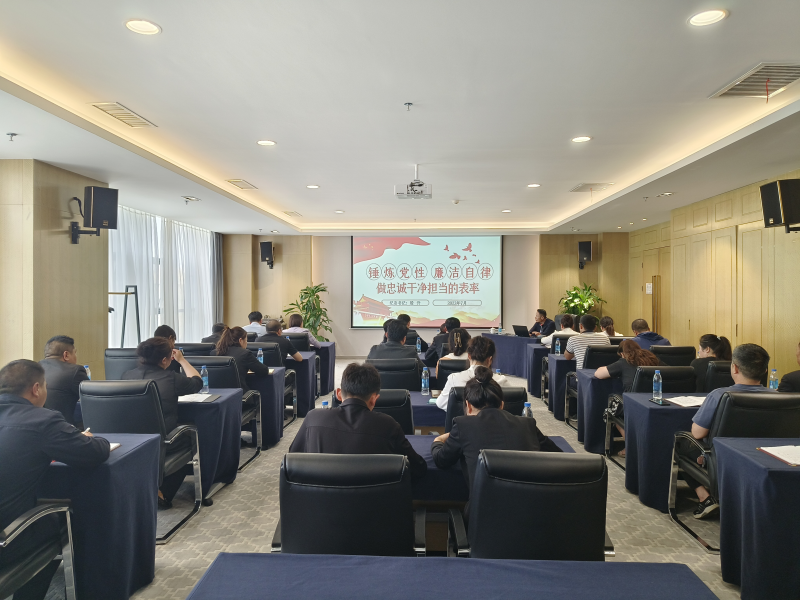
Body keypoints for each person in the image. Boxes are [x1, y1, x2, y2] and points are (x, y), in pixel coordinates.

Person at [0, 359, 109, 600]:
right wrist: (91, 438)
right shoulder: (42, 420)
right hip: (7, 541)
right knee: (60, 521)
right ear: (36, 389)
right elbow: (94, 453)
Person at [431, 367, 561, 499]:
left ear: (468, 405)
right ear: (502, 405)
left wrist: (438, 442)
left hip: (484, 511)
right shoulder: (528, 424)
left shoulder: (462, 425)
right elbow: (558, 456)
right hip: (532, 508)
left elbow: (442, 460)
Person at [679, 343, 773, 519]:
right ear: (765, 370)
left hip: (722, 461)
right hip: (763, 462)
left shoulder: (719, 395)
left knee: (682, 443)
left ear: (734, 368)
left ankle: (705, 497)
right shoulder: (778, 396)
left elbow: (698, 433)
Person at [289, 362, 426, 479]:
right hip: (375, 502)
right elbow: (418, 469)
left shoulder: (313, 418)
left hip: (317, 500)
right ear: (374, 399)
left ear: (338, 394)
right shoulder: (389, 425)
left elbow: (293, 460)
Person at [122, 338, 203, 506]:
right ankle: (163, 491)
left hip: (130, 441)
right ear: (165, 360)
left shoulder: (126, 376)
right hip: (161, 442)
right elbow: (197, 382)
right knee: (192, 436)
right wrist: (182, 360)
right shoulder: (171, 378)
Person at [595, 340, 659, 454]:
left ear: (622, 354)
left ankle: (631, 446)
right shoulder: (652, 358)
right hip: (654, 401)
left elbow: (599, 374)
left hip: (632, 404)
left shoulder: (623, 361)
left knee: (610, 410)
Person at [437, 336, 511, 410]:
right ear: (490, 359)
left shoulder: (454, 378)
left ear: (469, 356)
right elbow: (510, 405)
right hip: (493, 417)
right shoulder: (501, 380)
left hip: (462, 417)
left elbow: (440, 403)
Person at [39, 335, 88, 426]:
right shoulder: (75, 371)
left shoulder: (34, 368)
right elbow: (92, 399)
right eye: (75, 353)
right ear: (66, 355)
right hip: (63, 427)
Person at [212, 326, 271, 390]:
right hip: (239, 393)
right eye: (246, 340)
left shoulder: (214, 353)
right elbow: (263, 371)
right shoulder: (245, 353)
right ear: (240, 340)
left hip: (218, 393)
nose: (246, 343)